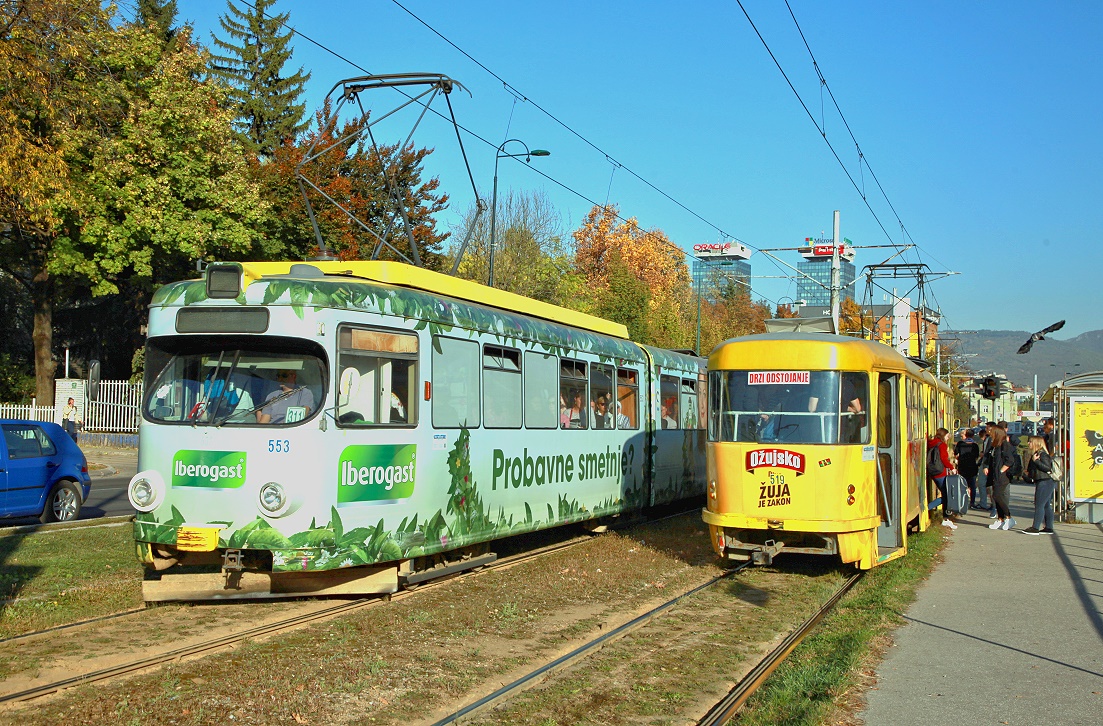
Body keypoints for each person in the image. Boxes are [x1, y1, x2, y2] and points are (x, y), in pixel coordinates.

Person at [983, 426, 1017, 531]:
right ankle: (1000, 519)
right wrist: (986, 466)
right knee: (996, 497)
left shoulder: (1004, 445)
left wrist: (1002, 470)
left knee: (997, 496)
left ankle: (1009, 517)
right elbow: (989, 458)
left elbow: (1010, 460)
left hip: (1002, 476)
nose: (990, 434)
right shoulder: (994, 445)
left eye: (992, 432)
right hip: (994, 474)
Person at [1022, 435, 1057, 535]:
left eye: (1030, 442)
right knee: (1046, 505)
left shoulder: (1042, 454)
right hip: (1043, 481)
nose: (1028, 444)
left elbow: (1047, 468)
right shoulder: (1036, 454)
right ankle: (1049, 527)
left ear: (1036, 443)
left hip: (1045, 481)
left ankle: (1035, 527)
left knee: (1039, 504)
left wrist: (1036, 461)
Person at [927, 428, 957, 529]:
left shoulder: (932, 443)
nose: (949, 438)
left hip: (934, 472)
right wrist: (952, 468)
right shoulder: (942, 445)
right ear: (944, 435)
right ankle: (929, 509)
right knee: (947, 496)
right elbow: (944, 459)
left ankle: (946, 518)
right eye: (948, 436)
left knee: (946, 495)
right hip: (941, 473)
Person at [954, 428, 981, 509]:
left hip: (962, 467)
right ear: (972, 436)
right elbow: (976, 456)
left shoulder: (960, 444)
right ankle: (972, 503)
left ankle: (962, 502)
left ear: (965, 435)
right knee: (972, 486)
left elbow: (956, 454)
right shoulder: (975, 445)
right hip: (972, 467)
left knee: (962, 485)